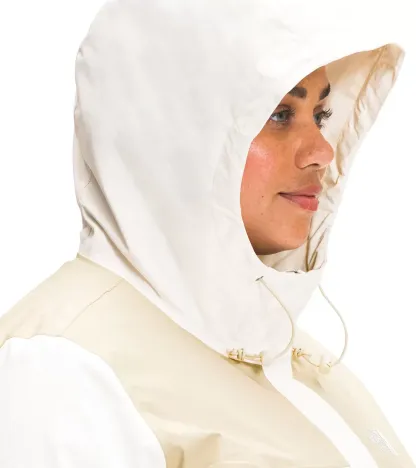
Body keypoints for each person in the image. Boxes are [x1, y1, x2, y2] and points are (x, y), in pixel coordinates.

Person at [0, 0, 414, 467]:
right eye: (279, 114)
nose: (322, 151)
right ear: (172, 135)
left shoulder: (293, 356)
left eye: (320, 115)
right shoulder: (64, 370)